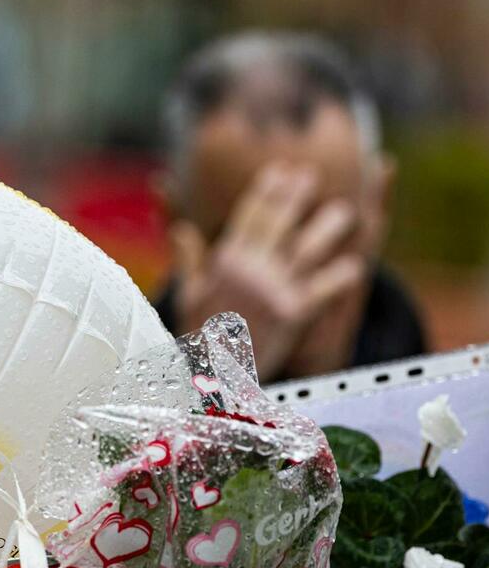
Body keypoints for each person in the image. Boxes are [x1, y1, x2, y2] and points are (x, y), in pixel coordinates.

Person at [156, 32, 426, 382]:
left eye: (330, 236)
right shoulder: (122, 359)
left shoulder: (404, 344)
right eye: (242, 240)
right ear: (174, 217)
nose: (285, 300)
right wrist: (207, 381)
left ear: (379, 200)